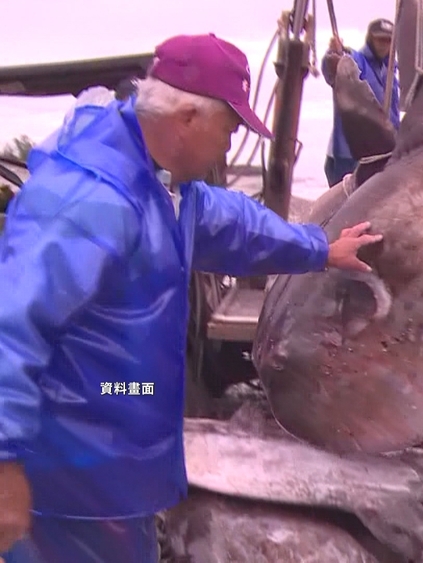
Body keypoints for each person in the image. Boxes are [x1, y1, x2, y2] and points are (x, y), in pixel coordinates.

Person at [0, 33, 382, 562]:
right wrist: (5, 462)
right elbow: (11, 328)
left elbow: (235, 226)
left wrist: (321, 248)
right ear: (186, 119)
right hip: (67, 477)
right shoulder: (88, 201)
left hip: (113, 425)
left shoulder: (163, 185)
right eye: (228, 129)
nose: (229, 145)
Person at [322, 18, 401, 187]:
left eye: (388, 40)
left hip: (376, 153)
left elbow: (393, 114)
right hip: (346, 154)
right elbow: (334, 68)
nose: (384, 45)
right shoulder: (355, 60)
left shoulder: (390, 73)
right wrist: (334, 53)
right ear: (370, 39)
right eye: (379, 39)